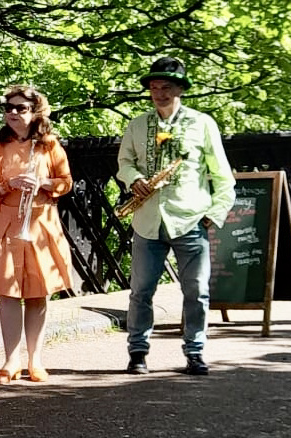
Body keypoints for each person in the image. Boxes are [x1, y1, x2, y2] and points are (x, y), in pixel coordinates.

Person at [117, 57, 235, 376]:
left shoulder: (202, 123)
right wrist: (133, 179)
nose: (159, 93)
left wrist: (214, 214)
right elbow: (124, 162)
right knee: (141, 291)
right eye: (154, 87)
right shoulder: (137, 124)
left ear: (180, 89)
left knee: (196, 291)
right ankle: (138, 353)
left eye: (166, 87)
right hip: (147, 220)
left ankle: (195, 352)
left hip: (190, 219)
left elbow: (223, 176)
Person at [0, 85, 75, 385]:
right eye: (9, 108)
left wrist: (44, 183)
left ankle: (35, 360)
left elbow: (66, 182)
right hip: (6, 225)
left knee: (37, 293)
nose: (13, 113)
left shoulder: (49, 145)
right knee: (7, 293)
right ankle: (10, 361)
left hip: (41, 223)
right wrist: (9, 185)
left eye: (21, 108)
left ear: (35, 112)